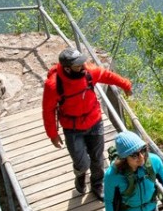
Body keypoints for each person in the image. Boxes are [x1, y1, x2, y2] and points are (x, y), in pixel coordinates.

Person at [42, 47, 132, 199]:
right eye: (78, 65)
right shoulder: (54, 85)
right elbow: (48, 111)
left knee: (97, 158)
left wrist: (125, 85)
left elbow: (107, 75)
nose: (83, 66)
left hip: (94, 121)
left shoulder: (88, 72)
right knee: (81, 162)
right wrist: (53, 134)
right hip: (72, 128)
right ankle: (80, 174)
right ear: (68, 69)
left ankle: (97, 184)